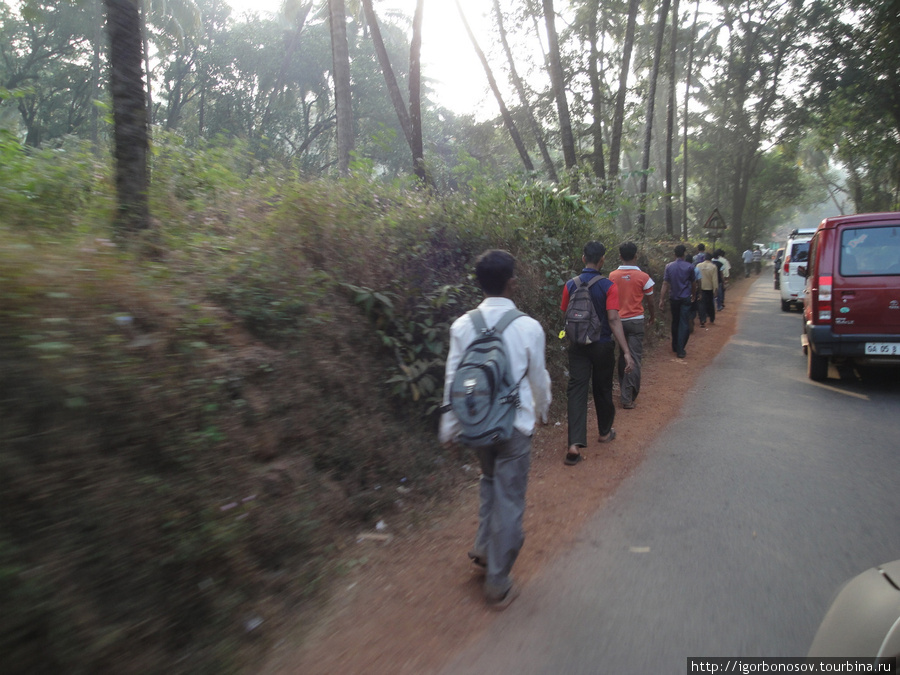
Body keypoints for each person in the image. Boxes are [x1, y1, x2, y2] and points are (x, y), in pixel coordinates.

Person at [439, 250, 551, 610]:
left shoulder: (461, 325)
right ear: (511, 282)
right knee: (509, 497)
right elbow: (539, 379)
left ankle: (485, 550)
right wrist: (542, 411)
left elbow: (453, 379)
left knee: (489, 482)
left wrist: (449, 427)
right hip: (514, 425)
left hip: (476, 422)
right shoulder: (528, 326)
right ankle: (498, 583)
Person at [560, 241, 635, 466]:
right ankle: (604, 432)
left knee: (576, 390)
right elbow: (613, 319)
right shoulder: (608, 286)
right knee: (602, 388)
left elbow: (565, 312)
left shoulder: (570, 285)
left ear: (583, 258)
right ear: (602, 260)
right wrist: (626, 351)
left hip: (577, 346)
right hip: (602, 345)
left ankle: (574, 444)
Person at [608, 242, 655, 409]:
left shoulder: (612, 276)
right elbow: (650, 300)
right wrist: (652, 316)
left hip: (617, 322)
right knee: (634, 357)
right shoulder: (644, 277)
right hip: (636, 321)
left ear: (620, 256)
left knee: (623, 355)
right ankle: (628, 396)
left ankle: (624, 389)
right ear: (636, 256)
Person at [658, 244, 697, 359]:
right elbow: (693, 283)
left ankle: (675, 345)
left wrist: (661, 299)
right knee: (684, 322)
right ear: (684, 254)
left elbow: (665, 283)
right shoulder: (690, 267)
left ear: (674, 254)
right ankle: (680, 349)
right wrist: (693, 295)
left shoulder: (669, 266)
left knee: (675, 321)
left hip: (673, 298)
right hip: (685, 298)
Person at [695, 253, 718, 326]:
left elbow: (696, 277)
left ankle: (702, 319)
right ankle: (711, 319)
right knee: (710, 304)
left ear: (704, 258)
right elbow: (715, 279)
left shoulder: (698, 265)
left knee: (701, 304)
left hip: (700, 288)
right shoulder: (713, 267)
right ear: (711, 259)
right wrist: (715, 289)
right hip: (710, 288)